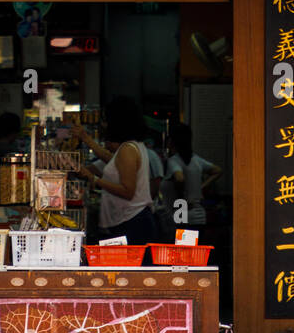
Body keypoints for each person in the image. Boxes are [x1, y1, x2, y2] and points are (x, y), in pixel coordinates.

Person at [73, 97, 156, 244]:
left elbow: (127, 191)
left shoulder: (127, 150)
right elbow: (112, 159)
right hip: (131, 221)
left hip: (132, 223)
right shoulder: (132, 146)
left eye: (107, 119)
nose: (104, 124)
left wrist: (94, 179)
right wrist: (86, 139)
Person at [164, 122, 221, 229]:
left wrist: (182, 198)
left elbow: (179, 178)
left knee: (183, 245)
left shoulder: (173, 161)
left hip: (182, 215)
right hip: (199, 216)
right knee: (195, 245)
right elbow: (218, 170)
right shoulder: (196, 160)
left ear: (172, 141)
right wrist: (201, 187)